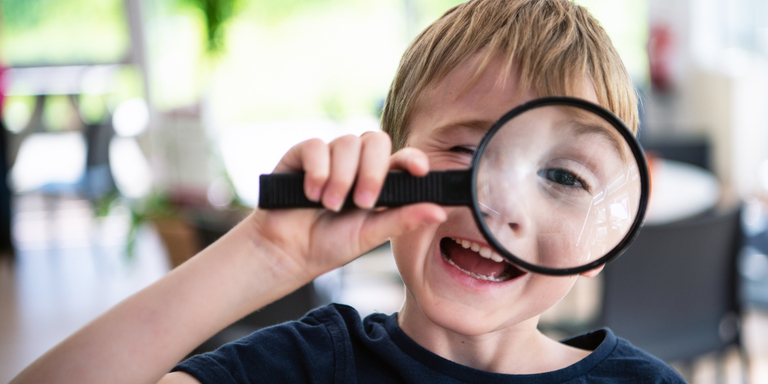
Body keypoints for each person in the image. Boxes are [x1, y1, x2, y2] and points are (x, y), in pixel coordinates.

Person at [11, 0, 685, 383]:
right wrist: (263, 255)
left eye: (564, 177)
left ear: (607, 233)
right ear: (389, 170)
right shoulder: (306, 368)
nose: (504, 204)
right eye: (463, 150)